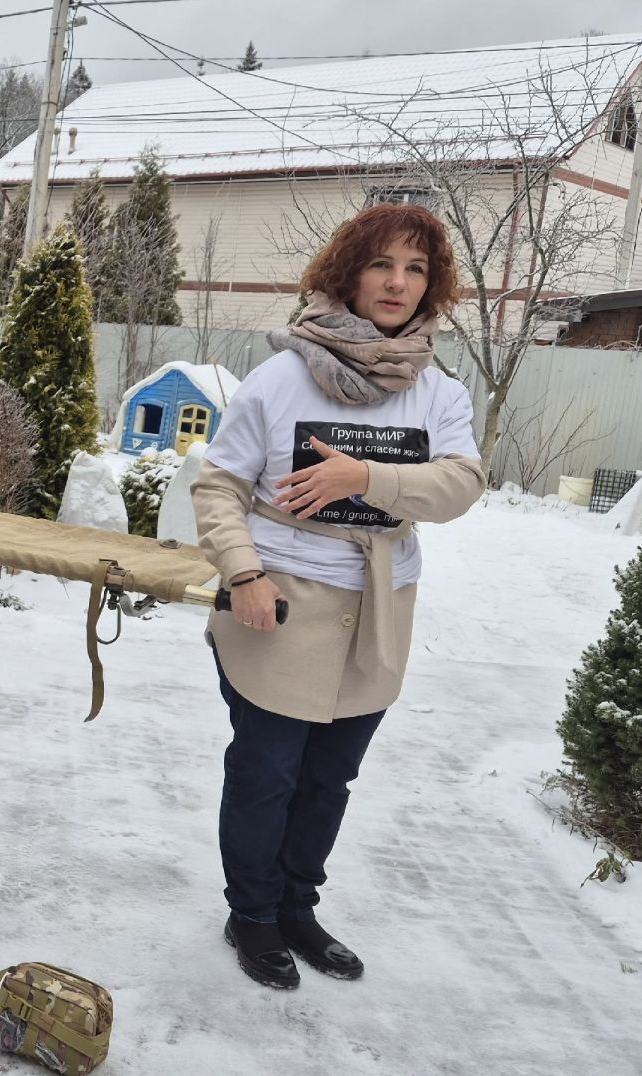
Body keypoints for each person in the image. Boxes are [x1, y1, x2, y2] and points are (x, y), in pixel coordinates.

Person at [191, 202, 485, 989]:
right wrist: (244, 574)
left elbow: (460, 483)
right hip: (281, 600)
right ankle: (251, 914)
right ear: (348, 273)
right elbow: (218, 485)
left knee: (330, 778)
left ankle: (296, 907)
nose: (398, 282)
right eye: (382, 264)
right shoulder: (284, 376)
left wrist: (366, 479)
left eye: (416, 269)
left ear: (433, 286)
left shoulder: (436, 390)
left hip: (379, 608)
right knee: (267, 774)